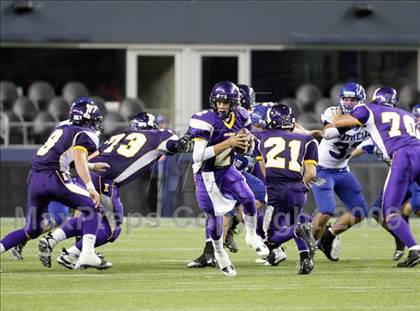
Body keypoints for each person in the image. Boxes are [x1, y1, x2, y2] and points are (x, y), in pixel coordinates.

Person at [39, 112, 190, 269]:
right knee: (112, 229)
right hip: (105, 179)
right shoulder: (160, 135)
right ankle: (72, 254)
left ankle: (54, 239)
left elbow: (93, 156)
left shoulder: (120, 135)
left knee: (89, 219)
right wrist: (187, 141)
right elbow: (175, 146)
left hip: (86, 174)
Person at [0, 97, 110, 270]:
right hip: (55, 177)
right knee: (92, 205)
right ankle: (87, 254)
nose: (94, 123)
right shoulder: (85, 134)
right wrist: (90, 187)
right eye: (92, 120)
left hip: (35, 178)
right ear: (84, 119)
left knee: (32, 229)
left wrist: (92, 165)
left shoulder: (62, 126)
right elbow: (79, 159)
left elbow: (65, 155)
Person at [330, 86, 420, 267]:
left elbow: (338, 124)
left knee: (390, 212)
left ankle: (414, 250)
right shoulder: (407, 115)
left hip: (402, 157)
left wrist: (336, 115)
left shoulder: (367, 109)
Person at [187, 80, 269, 277]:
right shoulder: (204, 120)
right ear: (213, 101)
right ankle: (219, 252)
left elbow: (248, 140)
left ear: (235, 103)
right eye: (219, 102)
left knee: (248, 198)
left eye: (226, 103)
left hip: (227, 169)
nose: (222, 106)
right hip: (206, 174)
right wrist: (229, 142)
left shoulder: (241, 115)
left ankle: (251, 235)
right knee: (214, 218)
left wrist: (246, 144)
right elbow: (197, 155)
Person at [256, 103, 318, 274]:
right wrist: (299, 185)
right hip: (298, 191)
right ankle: (305, 259)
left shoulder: (260, 137)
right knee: (293, 222)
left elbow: (264, 170)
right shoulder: (308, 140)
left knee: (272, 239)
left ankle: (299, 231)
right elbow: (311, 173)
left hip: (277, 190)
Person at [311, 82, 370, 261]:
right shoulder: (331, 112)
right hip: (322, 169)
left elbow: (373, 141)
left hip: (342, 170)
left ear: (361, 101)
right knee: (326, 211)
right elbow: (328, 132)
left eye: (353, 99)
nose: (349, 102)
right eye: (346, 99)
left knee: (360, 211)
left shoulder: (368, 118)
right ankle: (306, 249)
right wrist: (355, 122)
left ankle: (327, 238)